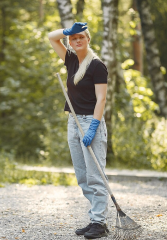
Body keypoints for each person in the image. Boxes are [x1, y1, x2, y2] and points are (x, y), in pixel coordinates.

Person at [48, 23, 109, 239]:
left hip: (90, 122)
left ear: (88, 39)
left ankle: (99, 222)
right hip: (73, 121)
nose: (77, 41)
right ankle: (95, 217)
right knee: (83, 176)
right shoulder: (71, 59)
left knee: (95, 175)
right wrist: (66, 31)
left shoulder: (97, 65)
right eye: (73, 39)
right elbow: (51, 37)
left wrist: (93, 126)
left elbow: (101, 98)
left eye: (81, 37)